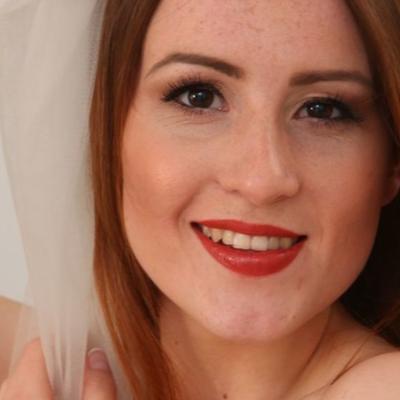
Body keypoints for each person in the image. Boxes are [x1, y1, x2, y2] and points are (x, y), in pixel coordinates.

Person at [1, 0, 400, 399]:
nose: (260, 181)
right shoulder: (50, 365)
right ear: (104, 132)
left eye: (323, 110)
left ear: (391, 163)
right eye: (199, 97)